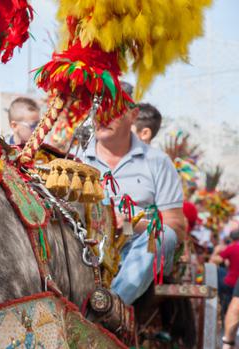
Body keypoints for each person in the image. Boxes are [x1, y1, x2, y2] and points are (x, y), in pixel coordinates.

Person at [80, 82, 186, 305]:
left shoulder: (157, 161)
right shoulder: (75, 158)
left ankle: (111, 307)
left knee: (163, 235)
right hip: (84, 244)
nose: (103, 117)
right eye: (97, 110)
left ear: (133, 115)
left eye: (113, 109)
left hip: (137, 246)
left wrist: (130, 223)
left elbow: (175, 227)